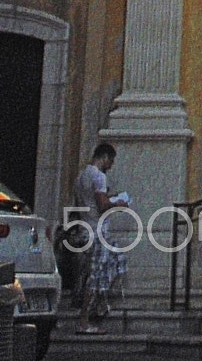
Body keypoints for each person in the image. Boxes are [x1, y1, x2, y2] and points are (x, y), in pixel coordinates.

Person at [71, 143, 119, 334]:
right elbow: (101, 205)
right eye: (111, 161)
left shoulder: (81, 176)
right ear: (105, 157)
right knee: (95, 277)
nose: (111, 165)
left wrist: (108, 198)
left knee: (97, 271)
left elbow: (82, 204)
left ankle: (100, 305)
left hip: (85, 230)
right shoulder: (99, 176)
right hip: (97, 233)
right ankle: (84, 321)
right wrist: (118, 202)